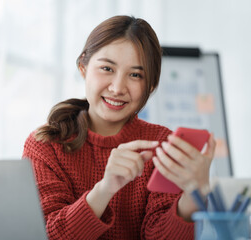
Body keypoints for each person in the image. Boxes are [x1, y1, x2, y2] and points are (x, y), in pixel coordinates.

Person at [23, 15, 216, 240]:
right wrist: (105, 189)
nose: (117, 88)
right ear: (83, 67)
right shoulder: (45, 146)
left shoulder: (162, 146)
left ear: (151, 85)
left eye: (135, 75)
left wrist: (196, 194)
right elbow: (48, 235)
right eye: (107, 68)